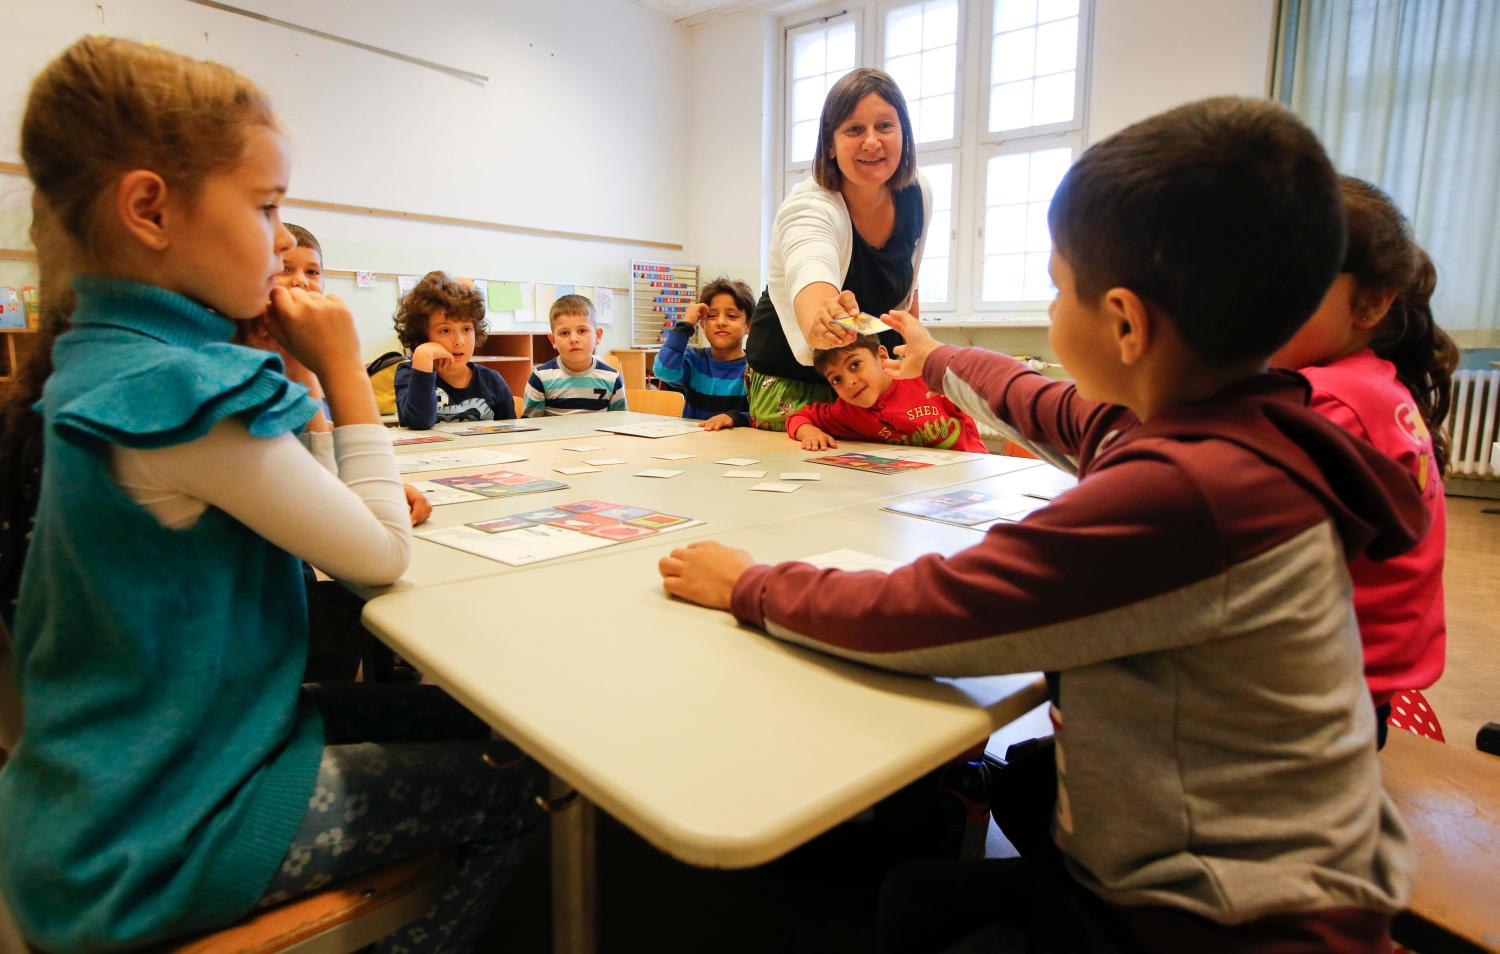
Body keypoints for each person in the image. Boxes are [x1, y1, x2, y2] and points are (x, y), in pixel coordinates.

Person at [660, 96, 1424, 953]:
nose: (1051, 313)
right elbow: (1054, 406)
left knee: (909, 906)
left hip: (1212, 924)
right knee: (920, 889)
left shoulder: (1183, 496)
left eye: (1060, 291)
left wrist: (749, 584)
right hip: (1240, 866)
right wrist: (940, 355)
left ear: (1126, 323)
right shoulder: (1244, 424)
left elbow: (925, 614)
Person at [0, 37, 538, 952]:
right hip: (164, 834)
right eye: (266, 206)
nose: (286, 241)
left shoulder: (114, 360)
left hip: (127, 784)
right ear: (149, 210)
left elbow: (319, 505)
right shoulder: (183, 397)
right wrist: (336, 367)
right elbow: (379, 555)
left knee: (482, 719)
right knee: (521, 789)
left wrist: (299, 393)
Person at [1270, 176, 1458, 740]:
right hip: (1366, 685)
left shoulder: (1327, 404)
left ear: (1372, 303)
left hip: (1317, 708)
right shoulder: (1371, 385)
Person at [744, 67, 933, 431]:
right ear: (830, 144)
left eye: (886, 126)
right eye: (854, 129)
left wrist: (914, 348)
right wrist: (821, 318)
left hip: (871, 372)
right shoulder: (809, 207)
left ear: (905, 133)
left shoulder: (918, 193)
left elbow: (908, 285)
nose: (872, 142)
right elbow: (809, 267)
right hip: (792, 377)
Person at [786, 334, 986, 452]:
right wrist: (809, 432)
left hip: (969, 476)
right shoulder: (846, 411)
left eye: (855, 365)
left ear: (881, 355)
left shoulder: (926, 380)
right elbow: (799, 418)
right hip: (910, 491)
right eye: (836, 379)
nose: (850, 382)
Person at [392, 270, 516, 429]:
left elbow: (511, 434)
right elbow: (419, 423)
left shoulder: (492, 381)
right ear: (422, 335)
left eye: (466, 329)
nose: (459, 341)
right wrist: (422, 357)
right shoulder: (409, 373)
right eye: (445, 330)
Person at [652, 276, 752, 428]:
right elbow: (663, 370)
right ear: (702, 323)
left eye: (732, 316)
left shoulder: (754, 369)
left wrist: (735, 417)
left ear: (748, 325)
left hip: (741, 446)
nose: (721, 322)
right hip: (695, 446)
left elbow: (764, 417)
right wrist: (686, 325)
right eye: (712, 316)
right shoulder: (694, 360)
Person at [522, 293, 627, 416]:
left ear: (597, 336)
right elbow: (532, 428)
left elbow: (619, 424)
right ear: (553, 340)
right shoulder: (540, 378)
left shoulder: (612, 378)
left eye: (582, 331)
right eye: (565, 333)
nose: (573, 339)